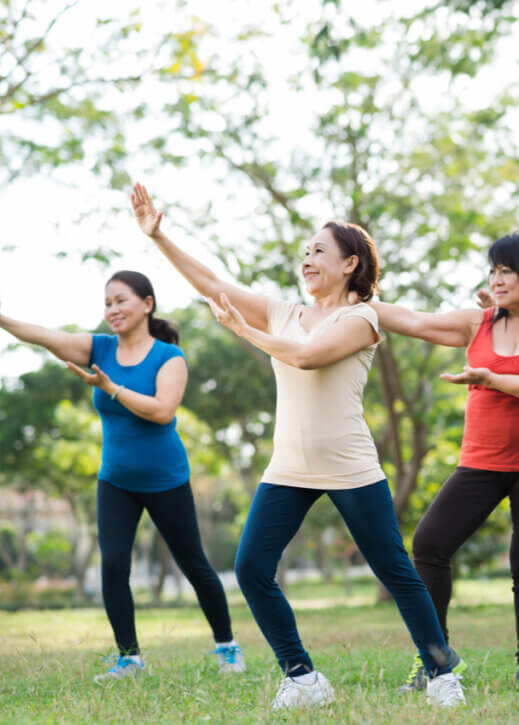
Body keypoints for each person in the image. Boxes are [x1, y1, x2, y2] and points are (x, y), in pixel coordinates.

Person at [129, 183, 465, 710]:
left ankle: (442, 672)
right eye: (305, 251)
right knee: (250, 569)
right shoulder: (282, 311)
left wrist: (243, 330)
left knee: (395, 571)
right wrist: (160, 237)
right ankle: (303, 677)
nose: (307, 259)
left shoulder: (362, 318)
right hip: (288, 467)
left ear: (351, 263)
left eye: (319, 252)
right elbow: (211, 283)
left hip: (350, 466)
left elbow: (308, 357)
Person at [0, 270, 244, 682]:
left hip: (166, 480)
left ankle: (227, 647)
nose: (113, 310)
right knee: (114, 565)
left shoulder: (169, 358)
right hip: (116, 481)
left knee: (193, 563)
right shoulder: (98, 348)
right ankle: (130, 659)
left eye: (121, 300)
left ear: (147, 304)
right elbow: (46, 337)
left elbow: (163, 411)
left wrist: (112, 388)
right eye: (107, 303)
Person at [371, 231, 519, 692]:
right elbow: (413, 321)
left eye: (507, 270)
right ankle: (435, 656)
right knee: (428, 545)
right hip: (481, 462)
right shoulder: (479, 322)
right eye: (493, 270)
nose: (497, 279)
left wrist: (492, 377)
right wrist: (356, 298)